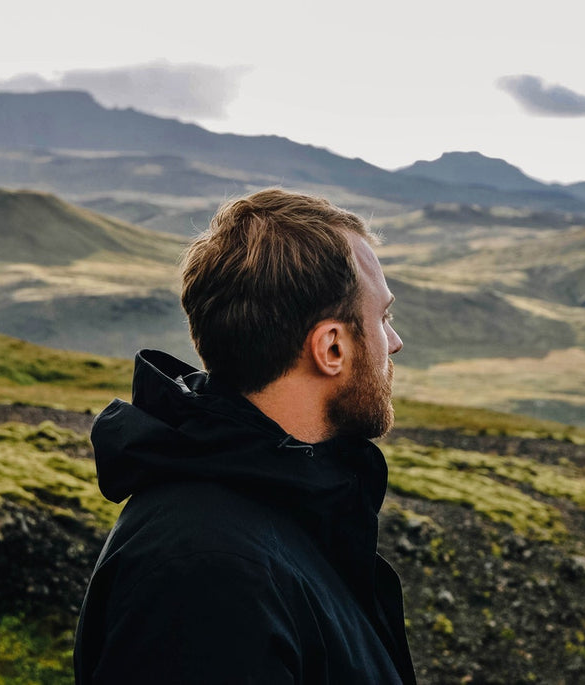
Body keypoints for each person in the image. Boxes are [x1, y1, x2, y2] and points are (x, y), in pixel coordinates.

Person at [73, 189, 415, 684]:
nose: (395, 342)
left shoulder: (285, 505)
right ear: (332, 347)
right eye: (382, 318)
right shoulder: (207, 576)